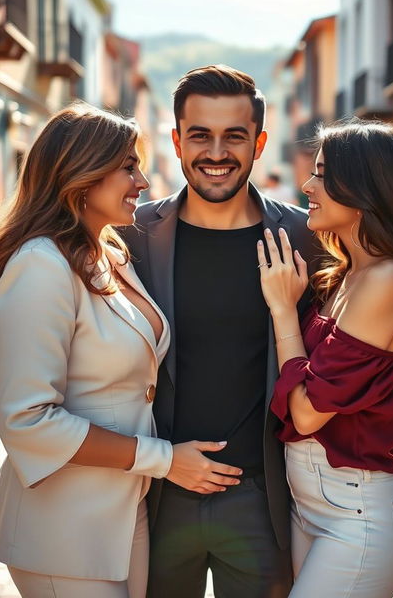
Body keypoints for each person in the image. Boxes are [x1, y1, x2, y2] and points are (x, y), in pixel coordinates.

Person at [0, 102, 242, 598]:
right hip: (63, 526)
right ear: (80, 173)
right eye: (127, 167)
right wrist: (164, 459)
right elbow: (27, 419)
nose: (141, 181)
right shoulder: (41, 265)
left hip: (125, 513)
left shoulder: (107, 251)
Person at [257, 120, 393, 597]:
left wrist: (282, 310)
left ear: (363, 187)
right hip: (313, 507)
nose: (307, 186)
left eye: (322, 174)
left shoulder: (389, 280)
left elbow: (306, 412)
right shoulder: (345, 275)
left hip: (359, 520)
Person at [123, 65, 320, 598]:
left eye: (234, 136)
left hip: (262, 502)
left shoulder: (304, 236)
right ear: (176, 140)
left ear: (258, 142)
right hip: (156, 498)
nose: (216, 152)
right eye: (200, 135)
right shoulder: (132, 235)